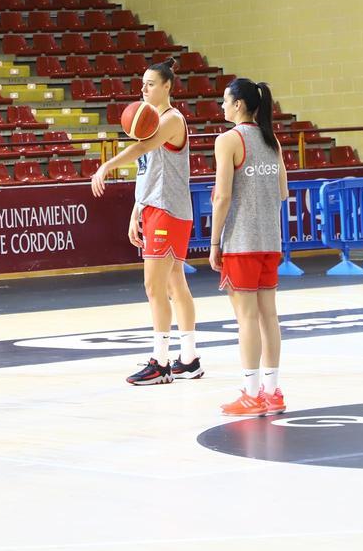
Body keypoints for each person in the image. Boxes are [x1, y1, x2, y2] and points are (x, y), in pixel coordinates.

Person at [91, 58, 201, 385]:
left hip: (167, 209)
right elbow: (149, 172)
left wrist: (106, 165)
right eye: (142, 84)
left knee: (154, 287)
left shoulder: (172, 119)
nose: (144, 89)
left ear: (167, 86)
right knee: (175, 284)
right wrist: (136, 210)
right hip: (157, 207)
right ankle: (190, 358)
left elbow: (144, 146)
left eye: (151, 84)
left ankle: (160, 363)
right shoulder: (153, 122)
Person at [209, 78, 289, 418]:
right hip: (270, 241)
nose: (222, 106)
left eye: (225, 101)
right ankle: (272, 392)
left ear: (238, 104)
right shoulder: (272, 140)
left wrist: (215, 241)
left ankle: (251, 394)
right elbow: (283, 192)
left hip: (241, 242)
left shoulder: (228, 140)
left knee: (246, 318)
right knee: (269, 316)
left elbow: (223, 196)